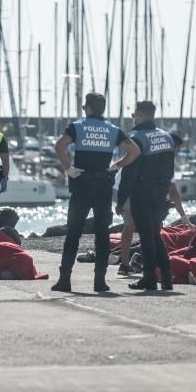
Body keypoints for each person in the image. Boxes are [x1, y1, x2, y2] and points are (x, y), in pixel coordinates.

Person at [52, 91, 140, 293]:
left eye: (84, 107)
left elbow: (59, 146)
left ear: (88, 108)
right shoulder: (112, 130)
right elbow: (134, 151)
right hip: (103, 185)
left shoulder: (78, 127)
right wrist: (117, 166)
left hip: (81, 184)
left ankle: (64, 279)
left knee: (73, 233)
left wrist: (68, 168)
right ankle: (99, 281)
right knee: (102, 234)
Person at [120, 101, 177, 291]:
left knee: (146, 236)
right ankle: (167, 277)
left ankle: (149, 277)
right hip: (160, 193)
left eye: (134, 115)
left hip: (142, 192)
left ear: (142, 116)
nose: (133, 118)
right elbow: (170, 170)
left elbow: (129, 174)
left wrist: (121, 200)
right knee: (155, 234)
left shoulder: (137, 139)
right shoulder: (167, 137)